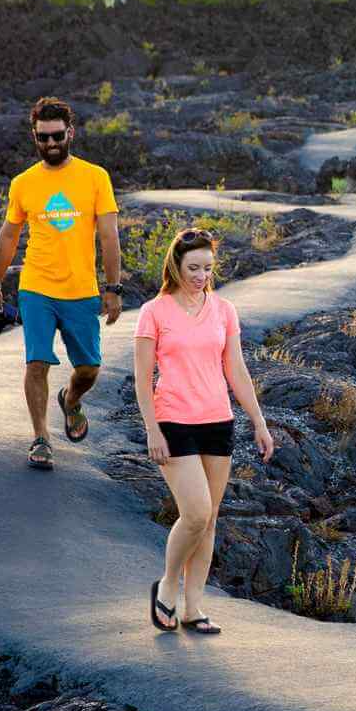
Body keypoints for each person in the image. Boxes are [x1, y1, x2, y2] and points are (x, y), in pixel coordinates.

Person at [132, 227, 276, 633]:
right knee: (194, 513)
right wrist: (152, 430)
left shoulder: (224, 310)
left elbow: (236, 369)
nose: (200, 275)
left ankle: (194, 607)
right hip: (173, 421)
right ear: (175, 266)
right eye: (193, 267)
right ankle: (166, 587)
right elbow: (143, 379)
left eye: (207, 268)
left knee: (210, 519)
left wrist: (259, 421)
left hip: (218, 421)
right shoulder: (154, 311)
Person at [0, 97, 124, 471]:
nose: (50, 144)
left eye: (57, 136)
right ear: (35, 135)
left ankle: (71, 400)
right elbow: (8, 237)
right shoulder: (24, 183)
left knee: (90, 369)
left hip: (81, 290)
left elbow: (109, 237)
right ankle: (41, 437)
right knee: (36, 362)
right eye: (43, 137)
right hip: (37, 287)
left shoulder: (95, 177)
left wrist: (113, 288)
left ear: (70, 133)